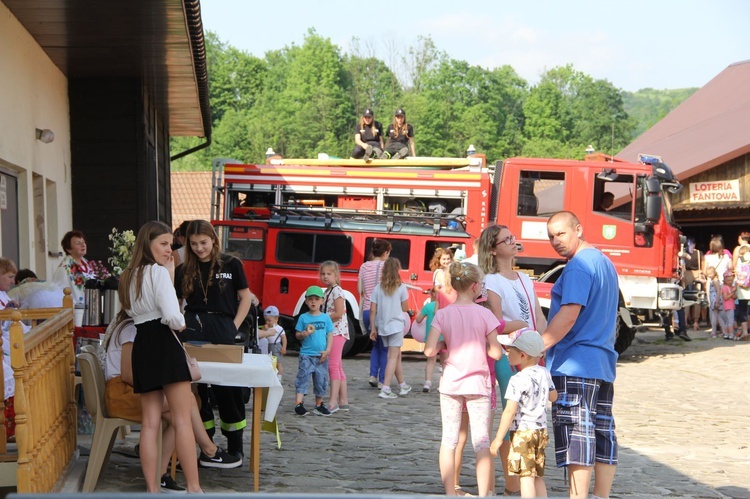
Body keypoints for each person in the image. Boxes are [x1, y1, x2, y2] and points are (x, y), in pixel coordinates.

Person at [102, 312, 241, 492]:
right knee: (187, 403)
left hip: (128, 391)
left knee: (185, 410)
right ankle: (209, 450)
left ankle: (162, 473)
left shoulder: (131, 326)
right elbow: (128, 375)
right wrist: (158, 386)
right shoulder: (131, 329)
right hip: (122, 395)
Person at [118, 221, 202, 493]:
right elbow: (173, 318)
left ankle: (152, 490)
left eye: (171, 244)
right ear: (148, 244)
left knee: (150, 423)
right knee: (181, 420)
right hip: (164, 342)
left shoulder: (128, 275)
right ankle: (194, 488)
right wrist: (180, 318)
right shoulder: (156, 272)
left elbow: (133, 313)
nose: (170, 250)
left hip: (143, 343)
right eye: (164, 244)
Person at [541, 211, 619, 499]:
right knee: (602, 432)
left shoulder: (577, 266)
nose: (555, 241)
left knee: (577, 435)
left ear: (579, 229)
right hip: (602, 363)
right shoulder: (605, 262)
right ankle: (601, 495)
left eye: (561, 233)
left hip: (575, 363)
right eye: (551, 236)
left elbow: (569, 315)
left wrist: (540, 345)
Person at [174, 219, 258, 460]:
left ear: (213, 240)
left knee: (228, 387)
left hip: (224, 327)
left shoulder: (231, 264)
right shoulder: (183, 270)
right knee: (197, 389)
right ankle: (206, 445)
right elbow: (177, 302)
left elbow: (245, 297)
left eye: (203, 242)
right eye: (194, 244)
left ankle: (235, 446)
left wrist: (233, 326)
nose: (199, 248)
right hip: (193, 329)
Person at [424, 261, 503, 497]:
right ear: (475, 286)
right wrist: (487, 349)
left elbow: (429, 351)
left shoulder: (443, 314)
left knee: (449, 439)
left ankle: (450, 492)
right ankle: (483, 493)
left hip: (451, 384)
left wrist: (444, 344)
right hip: (478, 384)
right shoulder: (485, 314)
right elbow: (496, 352)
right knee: (481, 442)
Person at [477, 224, 545, 496]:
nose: (514, 241)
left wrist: (543, 344)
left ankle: (526, 473)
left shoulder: (524, 278)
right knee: (512, 412)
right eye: (507, 239)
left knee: (530, 414)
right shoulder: (491, 280)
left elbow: (537, 314)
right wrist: (517, 325)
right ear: (493, 249)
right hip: (508, 353)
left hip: (531, 352)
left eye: (513, 237)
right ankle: (511, 482)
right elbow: (493, 321)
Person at [491, 328, 557, 499]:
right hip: (540, 432)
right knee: (536, 476)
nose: (506, 353)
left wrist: (498, 439)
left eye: (510, 350)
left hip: (522, 433)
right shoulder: (544, 373)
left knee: (525, 477)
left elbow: (509, 410)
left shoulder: (517, 380)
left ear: (523, 355)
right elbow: (554, 396)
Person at [370, 257, 412, 399]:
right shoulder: (401, 287)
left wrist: (373, 328)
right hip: (396, 325)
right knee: (392, 357)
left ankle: (402, 385)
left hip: (382, 326)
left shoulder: (377, 288)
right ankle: (386, 388)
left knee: (396, 356)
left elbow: (372, 310)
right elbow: (405, 308)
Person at [293, 285, 334, 416]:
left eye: (316, 299)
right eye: (310, 299)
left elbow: (330, 335)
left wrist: (328, 350)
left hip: (321, 356)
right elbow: (297, 334)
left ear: (322, 301)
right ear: (306, 301)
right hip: (306, 355)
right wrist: (303, 334)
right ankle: (298, 403)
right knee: (303, 378)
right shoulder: (303, 318)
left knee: (321, 380)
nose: (313, 302)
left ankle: (319, 404)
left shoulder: (326, 318)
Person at [358, 239, 391, 389]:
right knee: (384, 348)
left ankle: (373, 375)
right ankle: (383, 380)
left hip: (367, 310)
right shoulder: (388, 267)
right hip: (383, 312)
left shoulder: (364, 266)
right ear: (385, 253)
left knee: (375, 346)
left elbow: (361, 290)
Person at [319, 261, 350, 413]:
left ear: (336, 276)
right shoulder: (327, 292)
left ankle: (333, 401)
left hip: (338, 331)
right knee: (337, 366)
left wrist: (321, 320)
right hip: (333, 330)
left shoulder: (337, 291)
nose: (325, 276)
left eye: (328, 274)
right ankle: (343, 400)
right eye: (323, 274)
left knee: (332, 366)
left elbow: (338, 313)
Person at [52, 230, 90, 304]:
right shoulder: (65, 267)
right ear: (68, 249)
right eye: (78, 243)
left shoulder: (86, 263)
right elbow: (59, 293)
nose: (83, 245)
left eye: (83, 242)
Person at [415, 286, 439, 392]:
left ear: (432, 295)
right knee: (445, 362)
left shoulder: (428, 306)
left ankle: (427, 383)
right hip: (443, 337)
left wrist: (417, 313)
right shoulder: (445, 306)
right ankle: (443, 384)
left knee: (430, 361)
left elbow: (418, 319)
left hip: (431, 337)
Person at [261, 305, 287, 380]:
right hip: (268, 346)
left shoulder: (279, 328)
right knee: (269, 361)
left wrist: (284, 347)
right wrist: (264, 329)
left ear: (276, 319)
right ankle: (271, 374)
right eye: (266, 320)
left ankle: (279, 376)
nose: (267, 322)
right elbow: (262, 334)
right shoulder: (266, 327)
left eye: (269, 320)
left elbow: (284, 338)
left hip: (276, 346)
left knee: (278, 362)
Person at [720, 270, 736, 340]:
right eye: (728, 281)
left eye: (731, 280)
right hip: (728, 306)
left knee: (727, 321)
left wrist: (733, 292)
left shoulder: (731, 287)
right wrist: (733, 293)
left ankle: (726, 334)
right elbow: (726, 297)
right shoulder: (724, 287)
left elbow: (735, 297)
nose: (730, 282)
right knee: (730, 321)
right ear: (724, 280)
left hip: (729, 306)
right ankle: (731, 334)